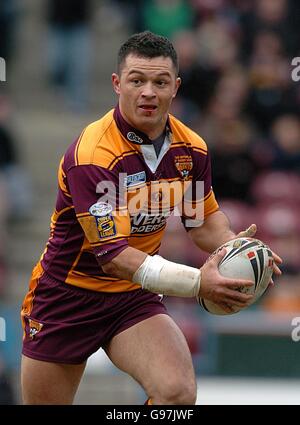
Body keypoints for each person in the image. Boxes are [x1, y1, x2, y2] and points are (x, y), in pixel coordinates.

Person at [20, 31, 282, 405]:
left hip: (132, 299)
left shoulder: (190, 149)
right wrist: (197, 283)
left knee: (177, 395)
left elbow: (203, 222)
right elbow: (112, 258)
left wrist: (239, 250)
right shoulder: (93, 153)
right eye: (137, 80)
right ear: (116, 84)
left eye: (160, 82)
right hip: (66, 297)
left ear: (175, 87)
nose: (148, 92)